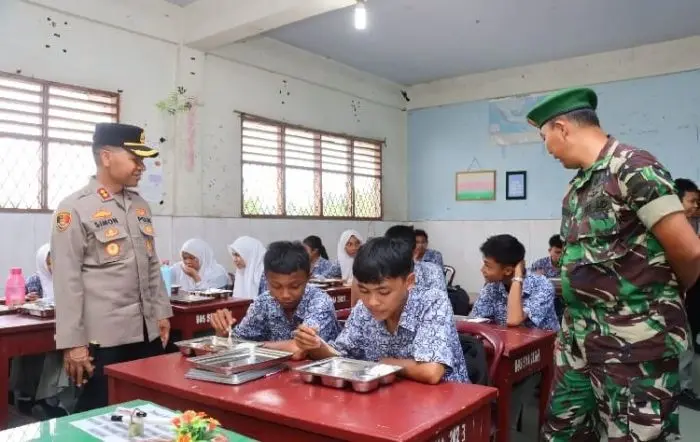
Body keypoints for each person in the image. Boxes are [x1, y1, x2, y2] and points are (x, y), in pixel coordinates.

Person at [526, 88, 700, 441]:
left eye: (544, 138)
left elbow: (690, 252)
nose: (547, 149)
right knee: (562, 432)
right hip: (579, 343)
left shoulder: (634, 168)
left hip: (634, 347)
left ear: (562, 128)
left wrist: (660, 299)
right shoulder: (578, 187)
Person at [51, 123, 173, 412]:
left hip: (147, 333)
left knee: (148, 411)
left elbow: (152, 264)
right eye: (135, 158)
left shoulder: (140, 205)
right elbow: (67, 281)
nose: (141, 166)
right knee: (101, 414)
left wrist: (162, 313)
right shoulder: (74, 208)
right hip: (105, 340)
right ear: (106, 157)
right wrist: (73, 343)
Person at [294, 237, 468, 384]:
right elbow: (342, 356)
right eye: (364, 291)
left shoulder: (432, 302)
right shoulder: (363, 309)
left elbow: (431, 371)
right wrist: (316, 345)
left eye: (383, 292)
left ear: (409, 282)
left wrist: (383, 363)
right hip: (391, 396)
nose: (372, 302)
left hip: (447, 401)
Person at [209, 241, 340, 356]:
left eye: (294, 286)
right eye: (276, 286)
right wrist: (223, 332)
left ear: (308, 278)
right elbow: (236, 341)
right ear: (266, 279)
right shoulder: (264, 302)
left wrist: (253, 346)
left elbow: (300, 348)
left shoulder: (319, 302)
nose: (285, 294)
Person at [470, 234, 559, 331]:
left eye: (487, 266)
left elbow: (514, 321)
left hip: (541, 340)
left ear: (508, 271)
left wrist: (517, 278)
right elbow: (475, 320)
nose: (482, 270)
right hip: (505, 338)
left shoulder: (542, 285)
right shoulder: (492, 286)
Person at [675, 178, 700, 410]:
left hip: (686, 295)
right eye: (692, 201)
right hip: (672, 299)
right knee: (684, 344)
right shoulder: (670, 229)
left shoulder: (688, 225)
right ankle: (682, 389)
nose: (695, 206)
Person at [385, 225, 446, 292]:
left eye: (423, 242)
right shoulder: (386, 270)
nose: (420, 245)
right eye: (417, 242)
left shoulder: (433, 269)